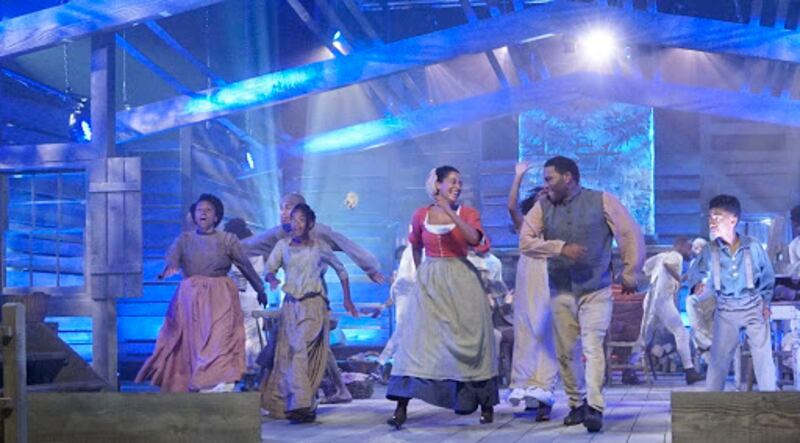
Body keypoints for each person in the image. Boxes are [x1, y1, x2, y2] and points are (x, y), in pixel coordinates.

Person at [519, 156, 645, 433]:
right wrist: (560, 248)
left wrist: (630, 272)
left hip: (596, 288)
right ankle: (576, 403)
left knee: (592, 346)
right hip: (561, 289)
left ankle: (595, 406)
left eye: (549, 179)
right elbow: (526, 241)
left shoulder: (601, 200)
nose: (545, 185)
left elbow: (628, 232)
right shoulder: (542, 206)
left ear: (568, 177)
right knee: (566, 352)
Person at [386, 165, 499, 428]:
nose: (457, 186)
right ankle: (401, 408)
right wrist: (422, 274)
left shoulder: (467, 213)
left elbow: (475, 240)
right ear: (437, 184)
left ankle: (484, 403)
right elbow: (415, 246)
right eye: (452, 181)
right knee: (417, 342)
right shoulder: (421, 214)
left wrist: (449, 211)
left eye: (460, 182)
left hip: (461, 280)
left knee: (468, 340)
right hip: (431, 282)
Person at [245, 192, 385, 404]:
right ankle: (329, 390)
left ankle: (299, 396)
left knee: (304, 343)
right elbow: (252, 244)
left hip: (316, 296)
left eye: (289, 207)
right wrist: (224, 248)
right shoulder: (281, 236)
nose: (284, 212)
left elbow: (346, 246)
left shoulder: (319, 234)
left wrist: (369, 267)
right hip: (292, 299)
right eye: (282, 208)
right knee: (304, 343)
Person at [136, 194, 267, 392]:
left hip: (220, 295)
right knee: (194, 341)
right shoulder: (184, 239)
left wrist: (260, 289)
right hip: (191, 297)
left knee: (220, 337)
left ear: (216, 216)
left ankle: (217, 380)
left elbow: (245, 266)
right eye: (199, 210)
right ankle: (198, 381)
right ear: (194, 215)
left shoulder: (227, 240)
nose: (203, 213)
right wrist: (168, 269)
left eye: (208, 210)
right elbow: (173, 258)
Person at [260, 204, 359, 422]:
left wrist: (347, 299)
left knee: (300, 349)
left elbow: (341, 270)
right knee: (290, 355)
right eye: (293, 219)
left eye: (301, 220)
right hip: (291, 307)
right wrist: (272, 279)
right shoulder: (282, 246)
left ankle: (301, 402)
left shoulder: (319, 247)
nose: (295, 224)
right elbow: (269, 269)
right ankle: (301, 403)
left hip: (314, 304)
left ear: (309, 224)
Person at [689, 195, 777, 392]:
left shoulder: (752, 246)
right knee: (718, 359)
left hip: (753, 305)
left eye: (717, 217)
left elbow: (767, 277)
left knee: (763, 356)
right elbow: (696, 272)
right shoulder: (710, 250)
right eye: (710, 217)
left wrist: (765, 302)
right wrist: (696, 284)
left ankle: (770, 398)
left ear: (733, 220)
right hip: (726, 308)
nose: (712, 222)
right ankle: (713, 402)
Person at [506, 161, 558, 422]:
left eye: (547, 194)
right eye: (540, 195)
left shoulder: (557, 226)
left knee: (545, 332)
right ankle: (527, 391)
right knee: (526, 331)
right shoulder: (525, 225)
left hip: (549, 278)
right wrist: (518, 176)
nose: (543, 197)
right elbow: (511, 207)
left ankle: (545, 392)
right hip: (528, 279)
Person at [622, 237, 705, 385]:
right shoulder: (676, 256)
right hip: (661, 300)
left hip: (653, 300)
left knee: (645, 337)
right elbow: (667, 265)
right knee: (681, 332)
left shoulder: (662, 255)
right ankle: (689, 370)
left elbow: (646, 268)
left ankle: (629, 369)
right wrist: (679, 278)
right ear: (681, 246)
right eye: (689, 247)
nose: (690, 251)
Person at [223, 218, 265, 387]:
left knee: (249, 335)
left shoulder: (239, 248)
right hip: (246, 295)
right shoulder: (256, 247)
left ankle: (248, 371)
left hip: (246, 295)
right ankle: (249, 372)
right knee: (250, 335)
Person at [685, 237, 715, 364]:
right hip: (699, 300)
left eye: (700, 247)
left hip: (712, 300)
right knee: (695, 329)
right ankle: (708, 350)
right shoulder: (693, 264)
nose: (698, 250)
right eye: (695, 248)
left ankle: (707, 346)